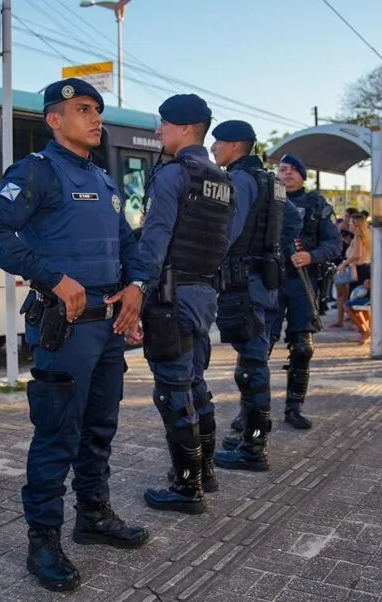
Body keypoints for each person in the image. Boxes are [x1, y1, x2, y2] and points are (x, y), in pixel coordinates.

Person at [0, 78, 149, 592]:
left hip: (108, 327)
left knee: (100, 429)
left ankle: (93, 516)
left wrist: (136, 287)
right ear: (54, 119)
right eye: (83, 109)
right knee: (57, 435)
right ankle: (43, 539)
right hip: (64, 328)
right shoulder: (37, 173)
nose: (96, 118)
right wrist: (52, 275)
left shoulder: (106, 180)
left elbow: (128, 244)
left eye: (98, 109)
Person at [136, 94, 234, 514]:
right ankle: (206, 472)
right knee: (195, 383)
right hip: (204, 294)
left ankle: (186, 488)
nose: (158, 132)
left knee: (172, 390)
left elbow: (154, 241)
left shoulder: (174, 176)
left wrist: (137, 289)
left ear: (183, 128)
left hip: (170, 296)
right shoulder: (221, 180)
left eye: (163, 124)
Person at [204, 120, 284, 473]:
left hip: (244, 281)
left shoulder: (238, 180)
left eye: (217, 143)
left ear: (235, 145)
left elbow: (226, 234)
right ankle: (251, 437)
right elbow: (290, 222)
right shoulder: (271, 180)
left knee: (252, 366)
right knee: (251, 362)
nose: (213, 149)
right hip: (263, 278)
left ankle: (254, 448)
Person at [264, 154, 341, 429]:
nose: (286, 174)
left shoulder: (316, 204)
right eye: (282, 169)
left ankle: (294, 407)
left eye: (292, 170)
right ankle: (252, 410)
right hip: (270, 280)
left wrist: (311, 256)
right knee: (258, 346)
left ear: (302, 175)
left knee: (301, 347)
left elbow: (335, 244)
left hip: (302, 281)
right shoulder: (269, 199)